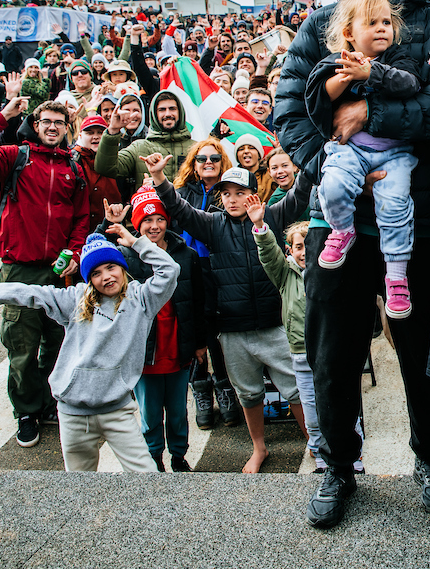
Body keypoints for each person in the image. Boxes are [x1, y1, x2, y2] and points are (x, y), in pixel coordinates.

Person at [274, 0, 430, 528]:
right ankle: (337, 466)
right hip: (338, 217)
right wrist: (331, 154)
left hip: (418, 216)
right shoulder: (321, 24)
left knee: (420, 347)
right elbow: (289, 110)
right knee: (333, 351)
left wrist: (372, 119)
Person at [0, 223, 179, 472]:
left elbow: (170, 270)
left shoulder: (142, 299)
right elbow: (29, 292)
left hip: (117, 410)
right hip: (73, 413)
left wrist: (136, 242)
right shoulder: (74, 300)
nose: (106, 276)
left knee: (145, 475)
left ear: (122, 268)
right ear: (88, 279)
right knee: (77, 482)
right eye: (96, 273)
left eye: (111, 267)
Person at [144, 154, 305, 473]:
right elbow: (179, 209)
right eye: (226, 194)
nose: (232, 199)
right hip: (232, 330)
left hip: (275, 324)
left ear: (252, 194)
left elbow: (301, 194)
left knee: (296, 390)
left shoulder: (270, 216)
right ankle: (259, 448)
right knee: (248, 393)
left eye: (239, 192)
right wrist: (160, 178)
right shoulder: (213, 224)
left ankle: (314, 442)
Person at [0, 87, 89, 450]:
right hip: (19, 269)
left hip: (59, 271)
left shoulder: (72, 166)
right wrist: (3, 114)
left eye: (59, 123)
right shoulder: (15, 157)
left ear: (67, 127)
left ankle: (48, 402)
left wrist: (74, 252)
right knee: (22, 345)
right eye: (46, 121)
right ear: (35, 124)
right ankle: (27, 411)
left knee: (57, 342)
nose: (52, 127)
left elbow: (80, 217)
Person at [305, 0, 420, 320]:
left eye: (386, 22)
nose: (382, 29)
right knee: (334, 185)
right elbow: (318, 97)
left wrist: (372, 71)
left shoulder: (398, 58)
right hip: (350, 150)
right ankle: (342, 230)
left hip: (394, 155)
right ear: (349, 33)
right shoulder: (335, 61)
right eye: (372, 23)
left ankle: (397, 277)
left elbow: (410, 84)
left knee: (396, 206)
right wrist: (345, 75)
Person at [111, 187, 207, 472]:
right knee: (150, 413)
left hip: (178, 346)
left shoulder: (185, 254)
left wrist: (200, 342)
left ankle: (179, 455)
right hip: (145, 352)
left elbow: (198, 301)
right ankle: (153, 458)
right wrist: (108, 225)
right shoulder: (126, 257)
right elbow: (98, 261)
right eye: (147, 220)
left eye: (160, 219)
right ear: (136, 225)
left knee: (178, 411)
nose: (154, 226)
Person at [170, 138, 240, 429]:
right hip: (185, 268)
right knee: (191, 327)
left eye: (214, 158)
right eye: (202, 159)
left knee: (214, 329)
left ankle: (224, 388)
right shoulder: (179, 192)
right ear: (194, 164)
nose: (208, 162)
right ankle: (201, 388)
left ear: (223, 162)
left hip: (216, 266)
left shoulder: (228, 193)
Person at [254, 217, 324, 470]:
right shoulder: (285, 274)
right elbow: (269, 256)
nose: (304, 252)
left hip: (327, 350)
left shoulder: (328, 269)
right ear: (290, 251)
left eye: (309, 245)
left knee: (340, 403)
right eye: (298, 247)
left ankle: (352, 448)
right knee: (311, 410)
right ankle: (318, 451)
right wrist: (261, 229)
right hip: (301, 354)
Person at [95, 90, 196, 183]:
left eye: (172, 109)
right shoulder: (139, 147)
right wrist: (113, 129)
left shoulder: (195, 148)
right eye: (162, 110)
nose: (168, 114)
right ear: (154, 114)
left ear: (180, 112)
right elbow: (106, 168)